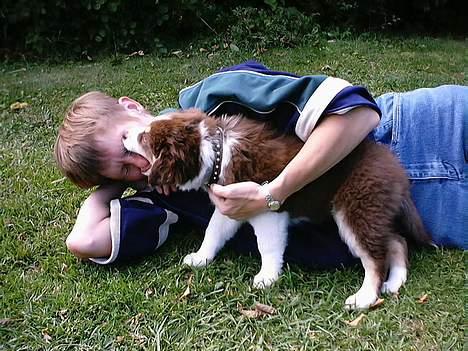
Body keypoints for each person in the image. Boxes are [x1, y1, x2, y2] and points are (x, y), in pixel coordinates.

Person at [55, 61, 467, 267]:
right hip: (430, 208)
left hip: (419, 130)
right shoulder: (169, 195)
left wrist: (273, 194)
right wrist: (114, 181)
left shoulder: (215, 96)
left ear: (133, 107)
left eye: (128, 142)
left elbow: (359, 114)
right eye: (126, 170)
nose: (140, 166)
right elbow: (85, 241)